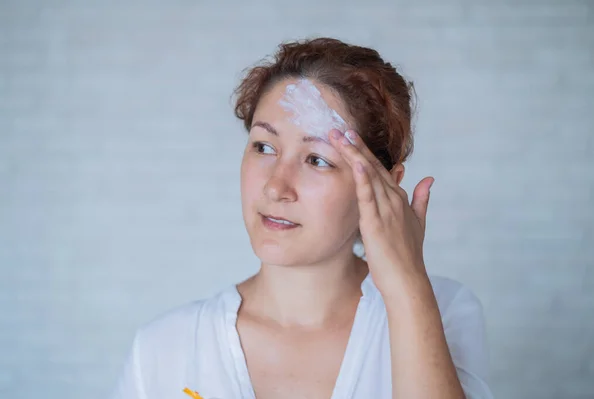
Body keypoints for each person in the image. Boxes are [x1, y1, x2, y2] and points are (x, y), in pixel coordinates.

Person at [109, 37, 494, 399]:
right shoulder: (162, 350)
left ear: (385, 187)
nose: (276, 187)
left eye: (317, 160)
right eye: (263, 146)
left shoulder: (442, 311)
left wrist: (407, 285)